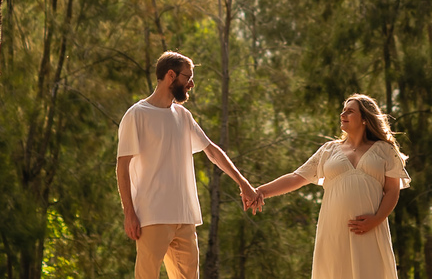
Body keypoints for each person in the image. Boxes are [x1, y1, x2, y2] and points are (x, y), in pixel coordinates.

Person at [117, 50, 260, 279]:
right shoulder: (137, 115)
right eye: (188, 77)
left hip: (184, 216)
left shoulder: (183, 116)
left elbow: (212, 151)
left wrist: (243, 183)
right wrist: (129, 213)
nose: (191, 84)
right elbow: (122, 167)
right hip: (152, 216)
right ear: (171, 76)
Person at [255, 94, 409, 279]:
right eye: (343, 110)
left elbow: (392, 191)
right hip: (333, 229)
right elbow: (296, 177)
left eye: (350, 111)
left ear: (365, 119)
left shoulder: (385, 150)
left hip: (369, 228)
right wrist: (260, 191)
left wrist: (376, 219)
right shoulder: (328, 150)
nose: (342, 114)